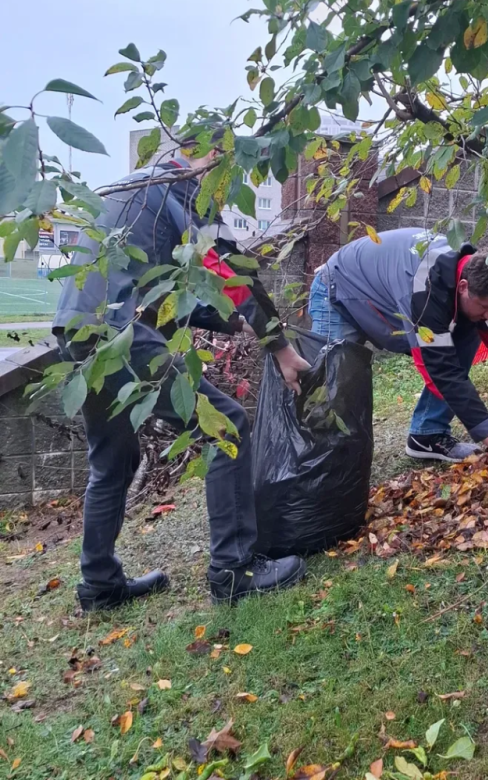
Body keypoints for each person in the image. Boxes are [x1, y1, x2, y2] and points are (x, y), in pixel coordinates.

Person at [53, 138, 309, 611]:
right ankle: (234, 570)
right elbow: (230, 269)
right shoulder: (179, 191)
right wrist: (281, 348)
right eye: (220, 164)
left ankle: (99, 586)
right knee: (225, 426)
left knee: (113, 461)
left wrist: (222, 320)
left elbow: (163, 284)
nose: (224, 181)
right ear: (199, 153)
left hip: (78, 335)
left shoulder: (132, 190)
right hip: (119, 333)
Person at [308, 227, 488, 488]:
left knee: (469, 329)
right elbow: (444, 374)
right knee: (334, 387)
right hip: (340, 292)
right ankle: (321, 473)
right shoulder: (424, 292)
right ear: (463, 286)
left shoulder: (484, 280)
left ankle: (427, 435)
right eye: (486, 307)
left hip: (386, 293)